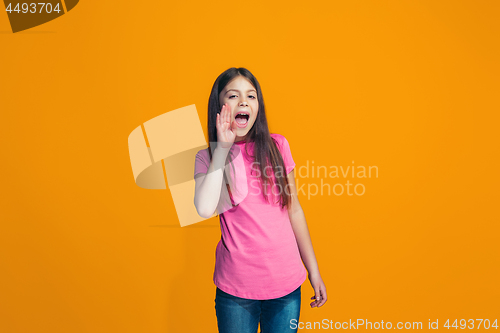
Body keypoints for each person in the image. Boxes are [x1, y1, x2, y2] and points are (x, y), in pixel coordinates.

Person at [193, 67, 327, 333]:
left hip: (286, 286)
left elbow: (295, 210)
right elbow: (204, 208)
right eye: (233, 95)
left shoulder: (278, 146)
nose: (243, 101)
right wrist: (222, 149)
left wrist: (314, 270)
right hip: (236, 291)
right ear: (219, 107)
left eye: (251, 96)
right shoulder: (207, 157)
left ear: (258, 106)